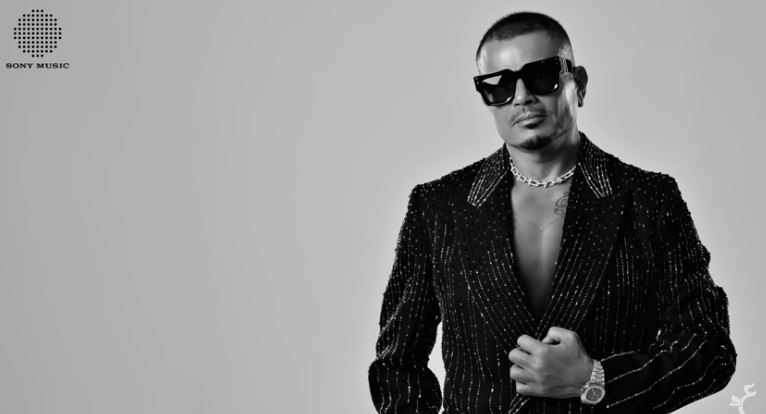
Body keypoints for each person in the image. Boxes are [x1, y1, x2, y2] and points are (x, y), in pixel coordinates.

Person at [367, 10, 737, 414]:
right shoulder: (438, 207)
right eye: (499, 85)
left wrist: (596, 379)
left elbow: (709, 349)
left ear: (579, 84)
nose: (522, 96)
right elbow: (397, 364)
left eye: (542, 75)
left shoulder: (649, 199)